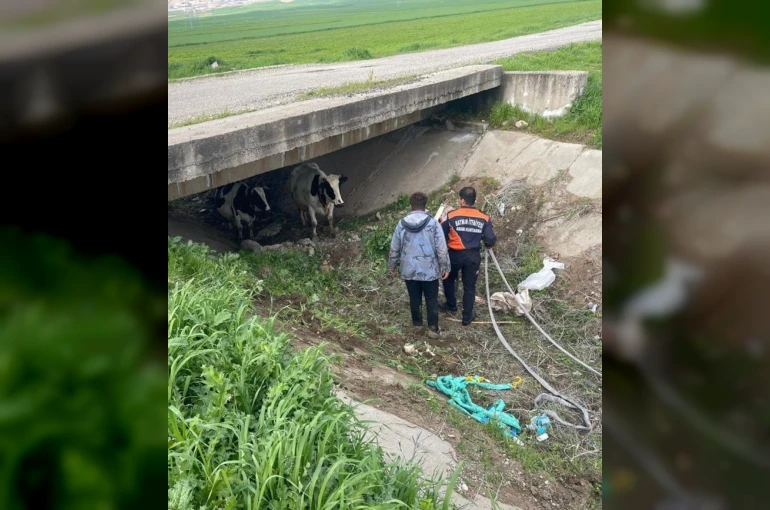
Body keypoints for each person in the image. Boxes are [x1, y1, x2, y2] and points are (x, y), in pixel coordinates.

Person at [388, 192, 450, 338]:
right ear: (425, 206)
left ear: (411, 205)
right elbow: (441, 247)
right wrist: (445, 266)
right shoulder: (433, 223)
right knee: (431, 298)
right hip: (430, 270)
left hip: (409, 269)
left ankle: (417, 326)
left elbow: (394, 248)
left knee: (414, 297)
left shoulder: (401, 224)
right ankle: (433, 329)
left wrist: (392, 265)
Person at [439, 186, 497, 325]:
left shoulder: (452, 215)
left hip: (454, 255)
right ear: (474, 200)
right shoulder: (484, 217)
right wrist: (487, 244)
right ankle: (467, 317)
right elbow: (490, 238)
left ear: (462, 200)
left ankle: (451, 306)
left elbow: (441, 233)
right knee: (469, 286)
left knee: (448, 279)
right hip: (472, 256)